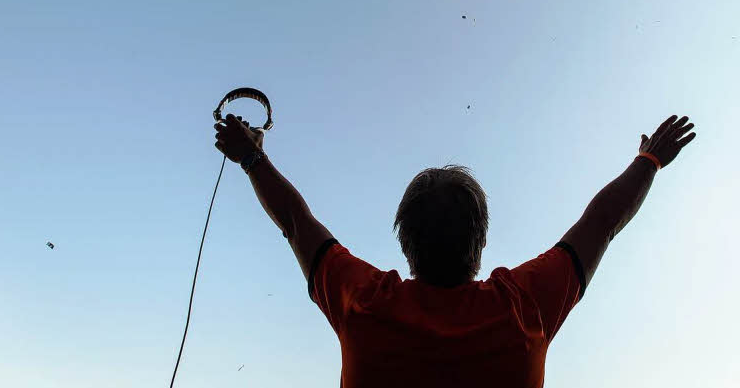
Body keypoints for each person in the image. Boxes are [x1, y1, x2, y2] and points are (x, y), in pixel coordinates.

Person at [214, 113, 696, 387]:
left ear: (404, 242)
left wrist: (253, 157)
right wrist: (649, 160)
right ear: (481, 240)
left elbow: (297, 223)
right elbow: (601, 223)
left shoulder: (364, 305)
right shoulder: (522, 308)